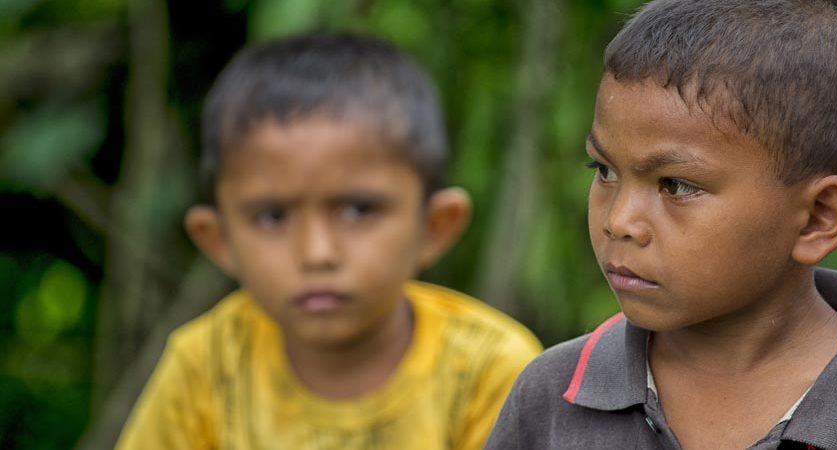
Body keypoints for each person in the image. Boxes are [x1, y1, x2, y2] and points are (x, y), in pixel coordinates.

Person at [115, 32, 542, 450]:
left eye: (358, 209)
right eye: (272, 216)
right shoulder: (207, 367)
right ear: (219, 240)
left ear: (434, 227)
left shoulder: (490, 370)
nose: (316, 253)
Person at [485, 0, 837, 448]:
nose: (619, 222)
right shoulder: (553, 396)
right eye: (604, 171)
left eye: (676, 185)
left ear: (817, 219)